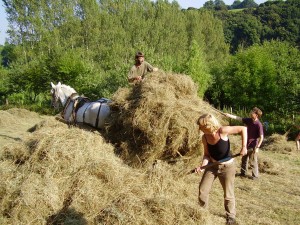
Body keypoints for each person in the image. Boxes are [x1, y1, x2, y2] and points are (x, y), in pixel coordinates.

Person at [195, 114, 247, 225]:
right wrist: (202, 166)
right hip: (212, 166)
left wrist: (244, 146)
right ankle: (202, 212)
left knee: (228, 194)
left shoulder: (222, 130)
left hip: (227, 167)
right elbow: (206, 155)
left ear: (209, 125)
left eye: (202, 127)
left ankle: (231, 217)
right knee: (202, 191)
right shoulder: (205, 137)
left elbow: (243, 129)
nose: (200, 129)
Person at [224, 107, 264, 180]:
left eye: (253, 112)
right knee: (244, 159)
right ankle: (243, 173)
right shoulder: (249, 120)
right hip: (246, 144)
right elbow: (238, 118)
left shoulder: (258, 124)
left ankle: (255, 176)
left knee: (253, 161)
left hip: (253, 146)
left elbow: (261, 137)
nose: (251, 112)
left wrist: (258, 147)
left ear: (256, 115)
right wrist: (228, 115)